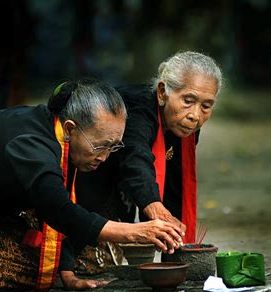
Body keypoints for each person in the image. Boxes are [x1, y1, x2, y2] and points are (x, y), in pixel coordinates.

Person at [0, 79, 184, 292]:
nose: (104, 157)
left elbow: (60, 212)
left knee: (81, 259)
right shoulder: (34, 146)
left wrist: (67, 272)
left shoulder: (59, 135)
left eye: (113, 147)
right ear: (71, 128)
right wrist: (134, 233)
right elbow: (59, 210)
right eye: (100, 146)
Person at [75, 51, 222, 270]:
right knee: (90, 265)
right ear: (162, 92)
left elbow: (175, 182)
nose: (195, 115)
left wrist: (177, 243)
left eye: (206, 106)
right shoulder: (137, 109)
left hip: (119, 189)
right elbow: (135, 157)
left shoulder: (184, 125)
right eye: (188, 101)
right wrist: (155, 209)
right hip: (85, 181)